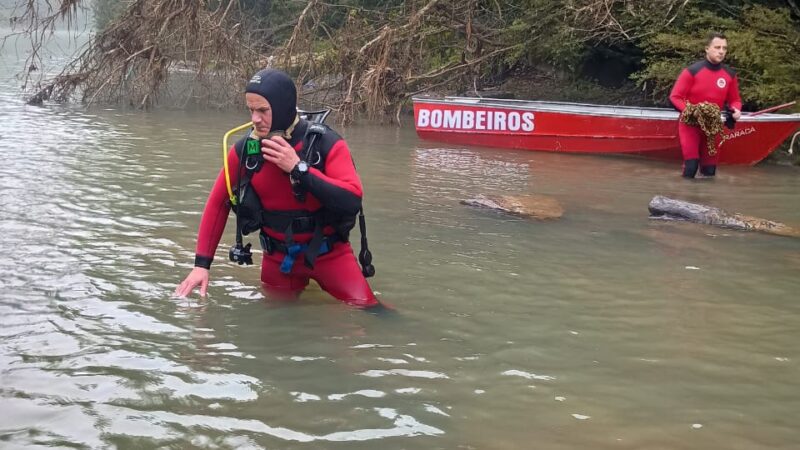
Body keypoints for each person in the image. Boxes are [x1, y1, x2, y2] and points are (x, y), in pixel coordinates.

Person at [175, 68, 379, 308]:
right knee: (275, 325)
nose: (255, 119)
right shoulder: (244, 153)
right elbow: (217, 204)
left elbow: (352, 199)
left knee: (370, 311)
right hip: (279, 259)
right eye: (251, 110)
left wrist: (297, 167)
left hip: (330, 255)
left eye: (263, 110)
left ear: (283, 108)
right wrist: (201, 266)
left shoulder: (325, 144)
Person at [669, 31, 742, 178]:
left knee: (709, 170)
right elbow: (675, 97)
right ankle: (682, 196)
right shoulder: (692, 71)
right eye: (717, 47)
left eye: (724, 48)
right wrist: (693, 111)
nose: (721, 51)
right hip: (690, 125)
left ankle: (706, 199)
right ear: (707, 48)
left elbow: (735, 100)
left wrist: (737, 110)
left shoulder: (729, 75)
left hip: (713, 126)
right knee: (691, 166)